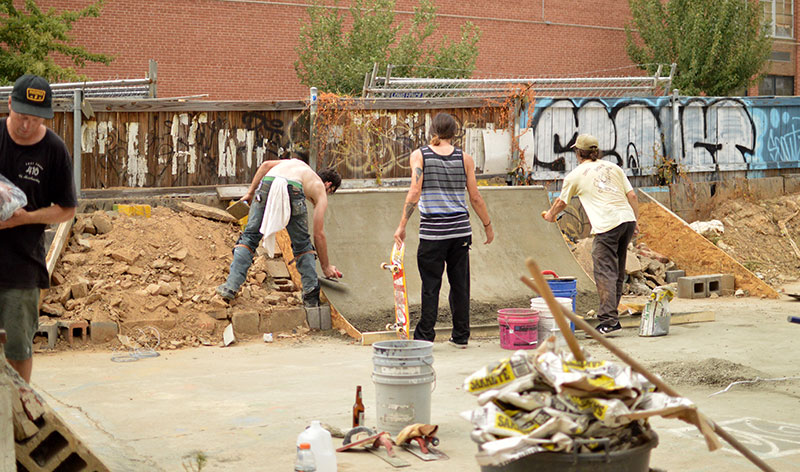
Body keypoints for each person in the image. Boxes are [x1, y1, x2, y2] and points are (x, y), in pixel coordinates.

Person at [0, 75, 77, 382]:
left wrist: (25, 217)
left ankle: (20, 414)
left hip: (23, 269)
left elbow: (67, 210)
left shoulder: (54, 151)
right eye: (20, 117)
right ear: (8, 105)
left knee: (18, 348)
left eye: (33, 119)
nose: (26, 126)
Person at [394, 113, 494, 348]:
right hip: (460, 232)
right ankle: (460, 336)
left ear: (432, 131)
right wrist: (487, 226)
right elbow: (476, 197)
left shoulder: (420, 156)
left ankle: (425, 337)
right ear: (454, 132)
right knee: (460, 285)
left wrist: (402, 226)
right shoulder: (464, 158)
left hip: (433, 234)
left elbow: (414, 192)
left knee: (431, 286)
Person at [542, 134, 639, 335]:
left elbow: (561, 202)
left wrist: (551, 215)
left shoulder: (575, 175)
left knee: (605, 272)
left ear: (578, 153)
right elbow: (632, 196)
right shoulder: (614, 168)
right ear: (597, 151)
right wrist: (635, 221)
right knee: (617, 270)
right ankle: (611, 316)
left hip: (607, 225)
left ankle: (608, 320)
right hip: (627, 220)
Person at [216, 158, 342, 307]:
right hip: (293, 189)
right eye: (330, 192)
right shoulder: (319, 187)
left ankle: (230, 286)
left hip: (267, 183)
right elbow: (318, 234)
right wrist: (326, 267)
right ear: (328, 185)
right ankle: (311, 297)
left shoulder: (296, 164)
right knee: (302, 245)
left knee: (249, 238)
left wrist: (250, 193)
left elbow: (265, 165)